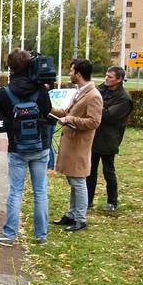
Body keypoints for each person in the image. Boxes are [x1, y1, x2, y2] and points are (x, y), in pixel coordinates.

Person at [0, 49, 54, 247]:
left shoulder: (4, 93)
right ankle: (41, 235)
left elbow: (5, 116)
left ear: (10, 67)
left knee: (15, 191)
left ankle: (9, 234)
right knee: (40, 191)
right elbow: (47, 111)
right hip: (40, 146)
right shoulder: (41, 90)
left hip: (17, 147)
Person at [51, 58, 103, 232]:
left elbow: (94, 122)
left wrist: (71, 119)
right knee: (73, 179)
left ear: (79, 74)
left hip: (79, 144)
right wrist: (49, 108)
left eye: (72, 71)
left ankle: (80, 218)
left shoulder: (94, 95)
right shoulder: (80, 91)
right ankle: (72, 214)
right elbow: (67, 112)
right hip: (71, 143)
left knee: (78, 181)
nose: (70, 73)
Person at [87, 65, 133, 212]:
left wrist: (95, 107)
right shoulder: (101, 89)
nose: (106, 78)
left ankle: (112, 201)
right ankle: (88, 200)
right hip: (94, 136)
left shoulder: (124, 98)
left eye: (110, 77)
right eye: (106, 75)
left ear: (119, 80)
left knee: (108, 171)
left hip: (109, 139)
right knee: (90, 171)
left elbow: (109, 115)